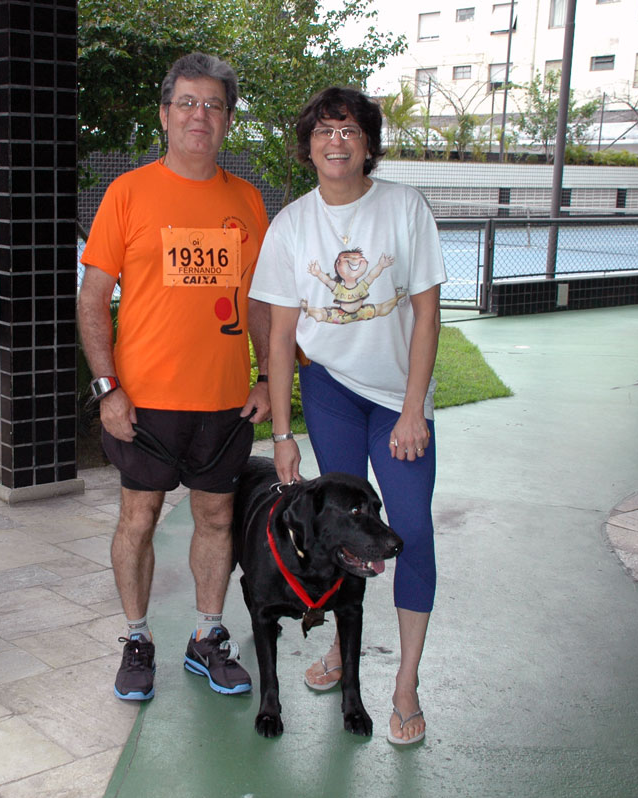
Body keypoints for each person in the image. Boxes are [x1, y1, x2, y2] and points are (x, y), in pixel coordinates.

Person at [248, 86, 445, 746]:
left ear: (367, 144)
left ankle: (404, 682)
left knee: (408, 531)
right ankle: (339, 649)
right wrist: (281, 433)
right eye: (323, 130)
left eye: (349, 129)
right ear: (307, 145)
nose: (336, 140)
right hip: (328, 388)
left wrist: (413, 410)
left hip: (396, 398)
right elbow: (278, 334)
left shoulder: (403, 207)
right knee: (339, 533)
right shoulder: (291, 224)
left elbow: (425, 312)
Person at [78, 53, 271, 702]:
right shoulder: (128, 192)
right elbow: (92, 295)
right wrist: (108, 387)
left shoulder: (246, 201)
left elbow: (263, 303)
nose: (199, 115)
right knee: (139, 517)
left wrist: (269, 378)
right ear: (164, 115)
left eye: (213, 105)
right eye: (187, 103)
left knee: (216, 519)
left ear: (227, 121)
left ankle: (207, 637)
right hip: (144, 403)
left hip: (223, 404)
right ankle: (137, 638)